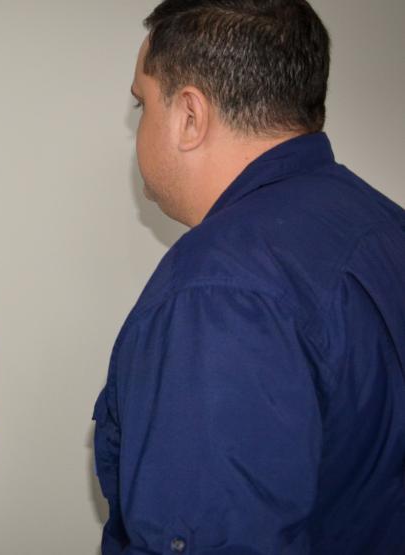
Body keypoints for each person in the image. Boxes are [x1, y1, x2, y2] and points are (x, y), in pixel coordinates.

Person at [93, 1, 405, 553]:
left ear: (189, 115)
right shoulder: (382, 225)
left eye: (142, 103)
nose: (137, 125)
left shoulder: (217, 290)